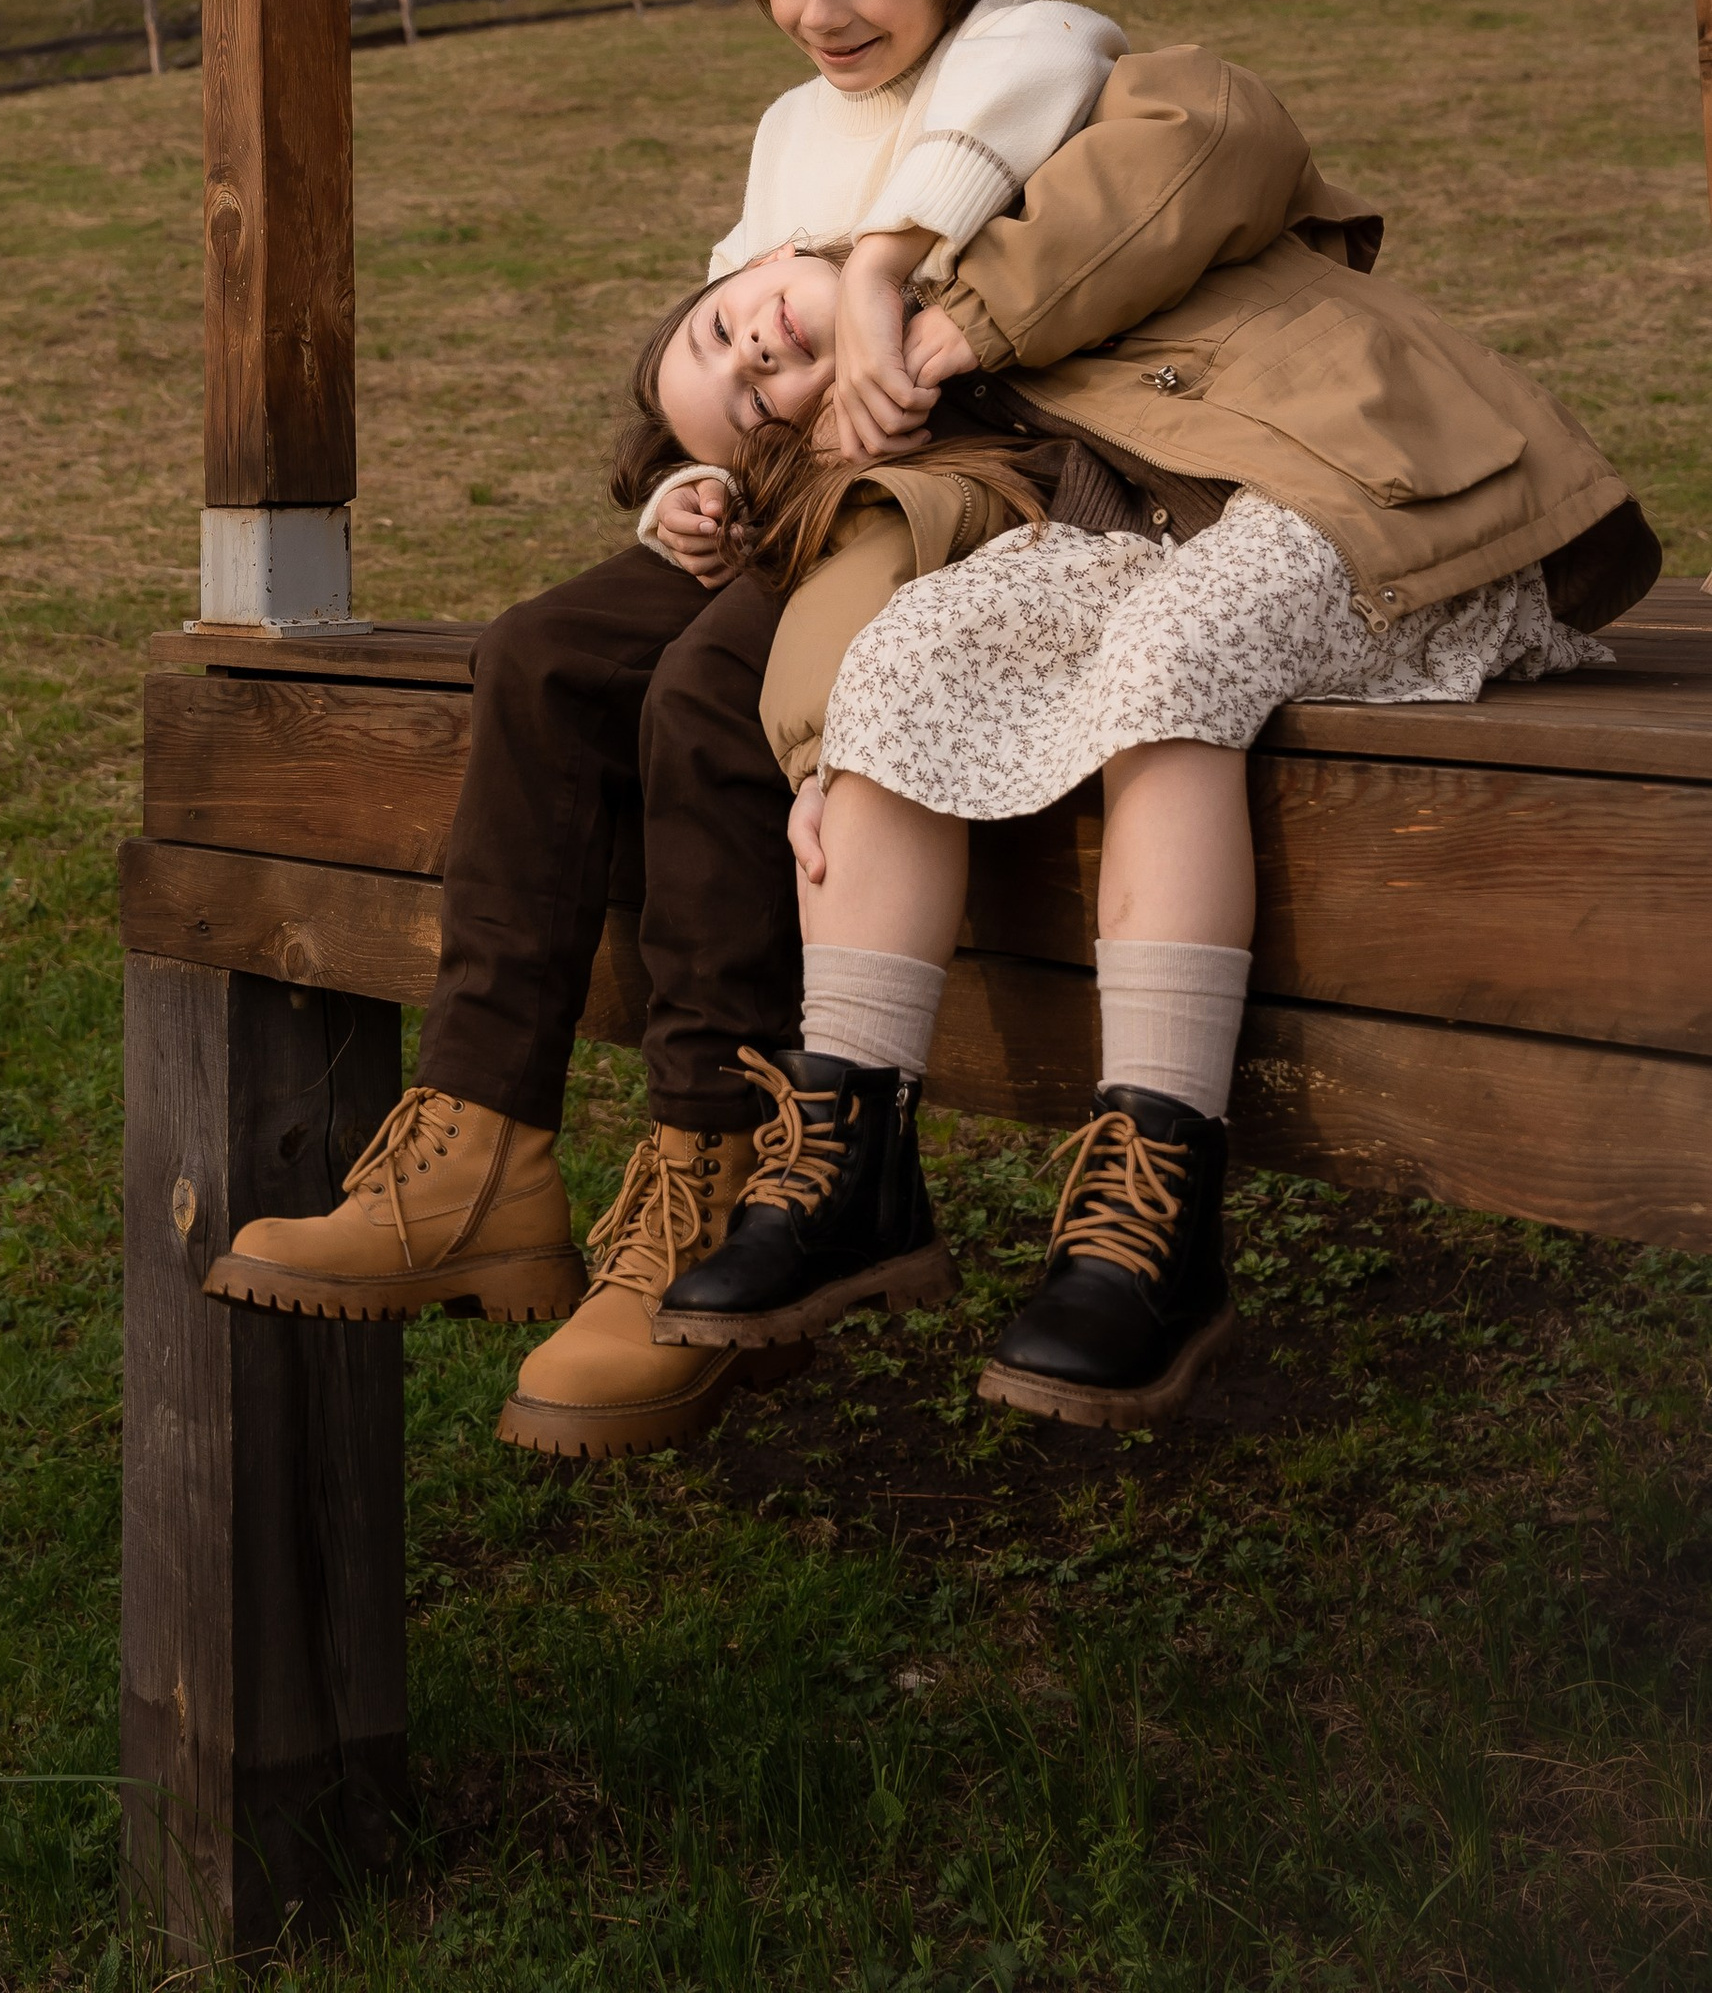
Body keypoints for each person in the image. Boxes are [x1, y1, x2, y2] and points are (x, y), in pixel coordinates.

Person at [202, 0, 1244, 1456]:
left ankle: (711, 1163)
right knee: (542, 656)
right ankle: (479, 1141)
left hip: (953, 498)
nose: (821, 15)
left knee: (703, 692)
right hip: (788, 505)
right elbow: (727, 340)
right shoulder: (788, 129)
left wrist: (885, 272)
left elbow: (1018, 93)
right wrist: (684, 482)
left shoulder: (1033, 51)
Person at [646, 117, 1658, 1429]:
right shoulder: (935, 433)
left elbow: (1219, 128)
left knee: (1172, 654)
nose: (758, 362)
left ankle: (1160, 1205)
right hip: (1168, 546)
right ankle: (857, 1160)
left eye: (728, 328)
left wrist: (959, 318)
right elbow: (867, 580)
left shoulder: (1010, 175)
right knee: (901, 662)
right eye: (746, 413)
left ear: (777, 255)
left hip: (1359, 480)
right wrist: (821, 751)